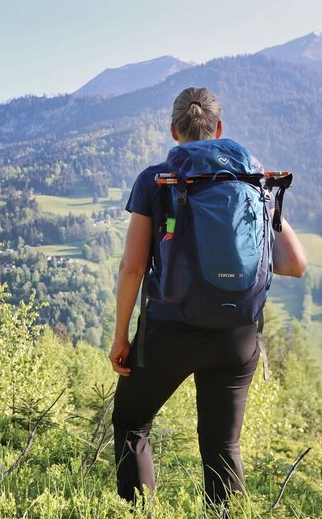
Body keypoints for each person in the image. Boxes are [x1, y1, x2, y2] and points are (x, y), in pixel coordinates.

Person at [108, 87, 308, 507]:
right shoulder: (251, 182)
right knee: (222, 447)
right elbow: (295, 264)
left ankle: (139, 513)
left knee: (132, 423)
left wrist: (120, 336)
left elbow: (132, 267)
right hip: (237, 336)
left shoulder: (155, 179)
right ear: (219, 129)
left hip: (169, 330)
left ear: (173, 131)